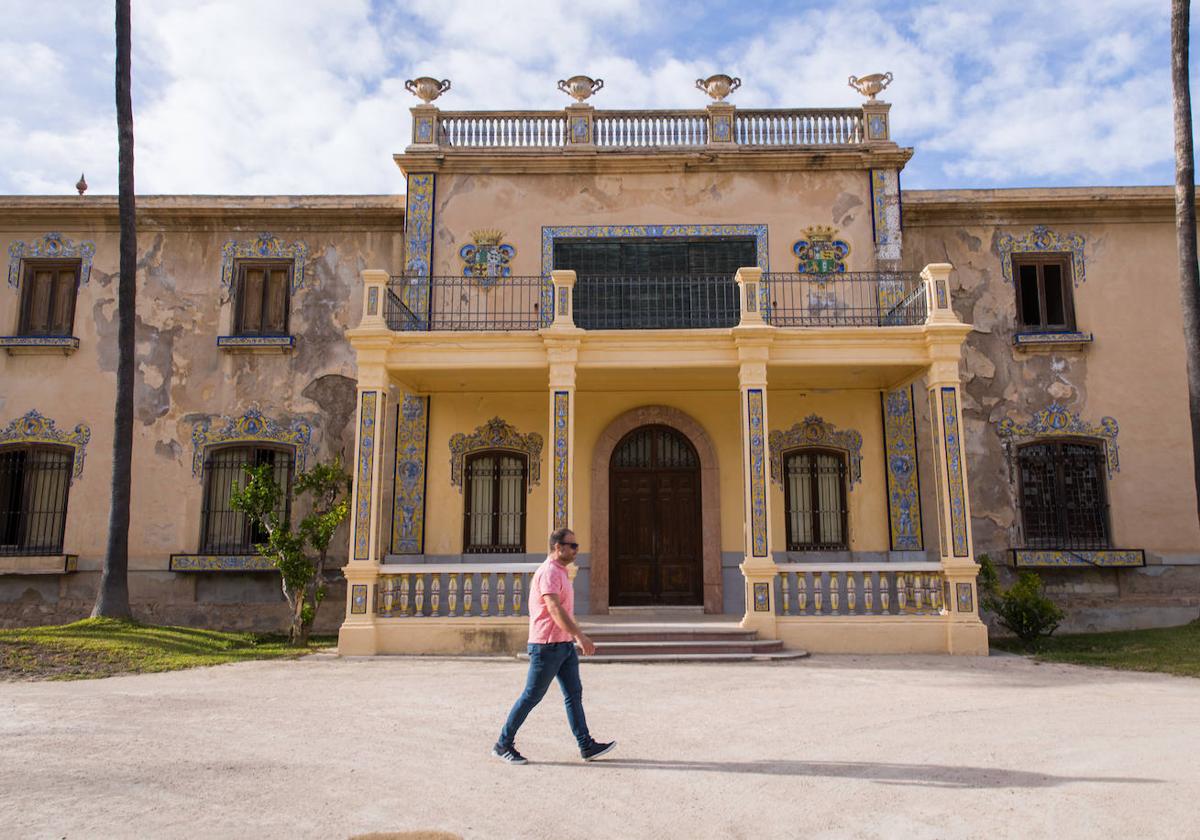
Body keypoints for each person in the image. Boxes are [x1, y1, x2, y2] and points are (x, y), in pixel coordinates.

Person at [492, 528, 616, 765]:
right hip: (546, 646)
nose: (576, 549)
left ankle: (586, 744)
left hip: (563, 644)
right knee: (532, 696)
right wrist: (580, 636)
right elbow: (554, 609)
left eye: (576, 545)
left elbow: (565, 610)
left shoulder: (561, 572)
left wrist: (571, 637)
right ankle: (503, 744)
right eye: (572, 545)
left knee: (573, 694)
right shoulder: (549, 572)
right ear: (558, 547)